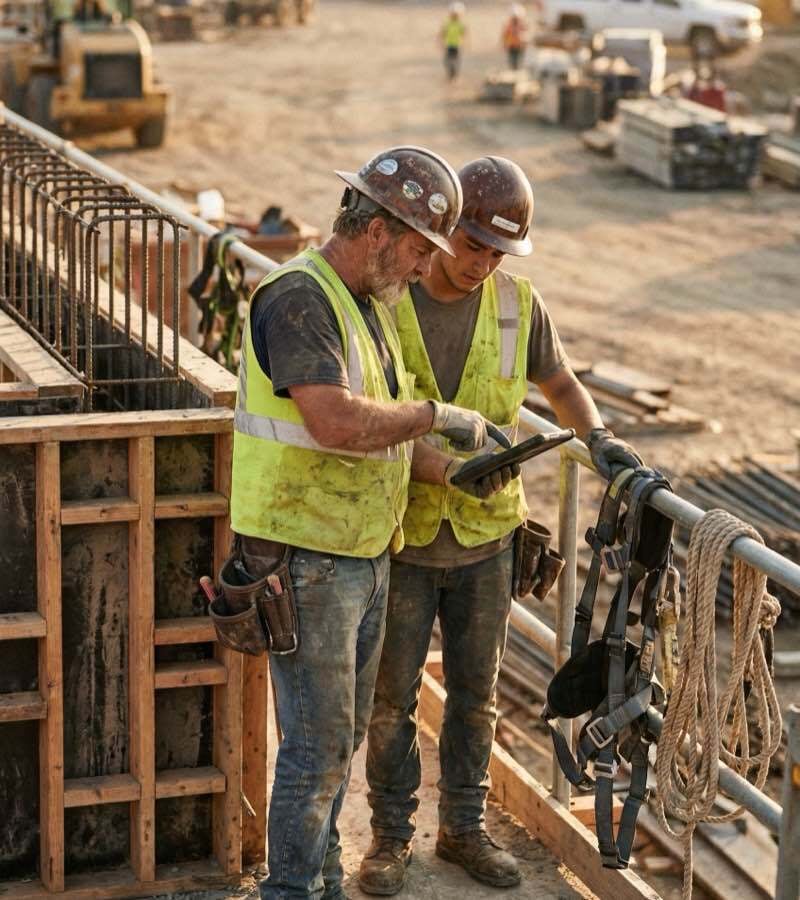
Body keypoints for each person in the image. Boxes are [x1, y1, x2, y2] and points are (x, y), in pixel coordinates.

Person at [229, 146, 519, 900]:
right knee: (317, 751)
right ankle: (294, 891)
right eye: (422, 248)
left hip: (359, 553)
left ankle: (322, 880)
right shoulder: (300, 297)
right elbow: (334, 422)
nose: (426, 267)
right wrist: (435, 414)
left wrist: (452, 471)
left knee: (341, 741)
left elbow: (385, 441)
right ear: (380, 229)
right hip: (307, 557)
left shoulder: (368, 307)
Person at [359, 156, 644, 894]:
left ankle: (463, 828)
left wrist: (600, 441)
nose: (481, 264)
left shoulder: (519, 306)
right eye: (472, 245)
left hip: (486, 541)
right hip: (402, 535)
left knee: (475, 698)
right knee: (390, 703)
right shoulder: (387, 298)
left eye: (497, 253)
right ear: (442, 230)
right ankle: (391, 837)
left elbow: (560, 381)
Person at [440, 2, 467, 81]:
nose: (455, 16)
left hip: (457, 45)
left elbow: (464, 34)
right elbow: (443, 33)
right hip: (449, 45)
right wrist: (441, 42)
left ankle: (455, 75)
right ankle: (450, 74)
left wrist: (465, 43)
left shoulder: (460, 24)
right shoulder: (447, 23)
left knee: (456, 60)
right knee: (447, 60)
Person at [502, 3, 529, 70]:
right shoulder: (509, 24)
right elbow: (505, 34)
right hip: (512, 45)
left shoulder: (521, 24)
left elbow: (525, 32)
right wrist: (504, 43)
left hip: (520, 45)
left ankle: (517, 69)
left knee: (519, 60)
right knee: (512, 60)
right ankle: (514, 69)